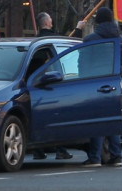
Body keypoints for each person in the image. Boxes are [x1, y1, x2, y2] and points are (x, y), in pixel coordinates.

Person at [33, 12, 86, 160]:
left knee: (41, 119)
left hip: (36, 86)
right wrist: (79, 29)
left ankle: (38, 149)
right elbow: (70, 46)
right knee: (58, 119)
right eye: (50, 19)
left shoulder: (36, 41)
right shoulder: (51, 39)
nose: (52, 21)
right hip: (54, 85)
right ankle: (61, 149)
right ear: (47, 23)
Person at [82, 7, 122, 167]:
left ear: (98, 21)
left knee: (97, 121)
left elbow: (83, 64)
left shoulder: (90, 40)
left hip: (96, 84)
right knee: (113, 121)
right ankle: (117, 156)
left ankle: (95, 157)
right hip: (115, 84)